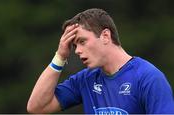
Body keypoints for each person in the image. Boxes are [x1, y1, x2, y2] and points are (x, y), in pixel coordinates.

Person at [27, 8, 174, 114]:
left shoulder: (148, 78)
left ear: (105, 36)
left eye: (82, 41)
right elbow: (37, 107)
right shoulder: (86, 79)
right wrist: (60, 56)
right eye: (74, 45)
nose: (77, 50)